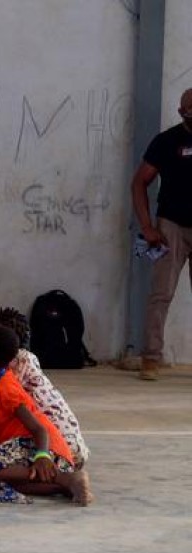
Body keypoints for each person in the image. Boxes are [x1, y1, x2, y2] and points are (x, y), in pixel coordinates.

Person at [0, 324, 93, 505]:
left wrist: (42, 456)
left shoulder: (6, 389)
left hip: (41, 450)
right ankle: (66, 485)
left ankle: (63, 477)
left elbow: (39, 429)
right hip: (20, 456)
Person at [131, 88, 192, 381]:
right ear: (182, 112)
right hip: (171, 227)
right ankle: (151, 359)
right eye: (190, 109)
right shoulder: (166, 141)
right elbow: (139, 183)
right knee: (161, 294)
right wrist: (147, 226)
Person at [0, 307, 90, 467]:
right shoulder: (26, 358)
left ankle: (64, 480)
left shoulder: (19, 362)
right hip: (70, 445)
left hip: (60, 447)